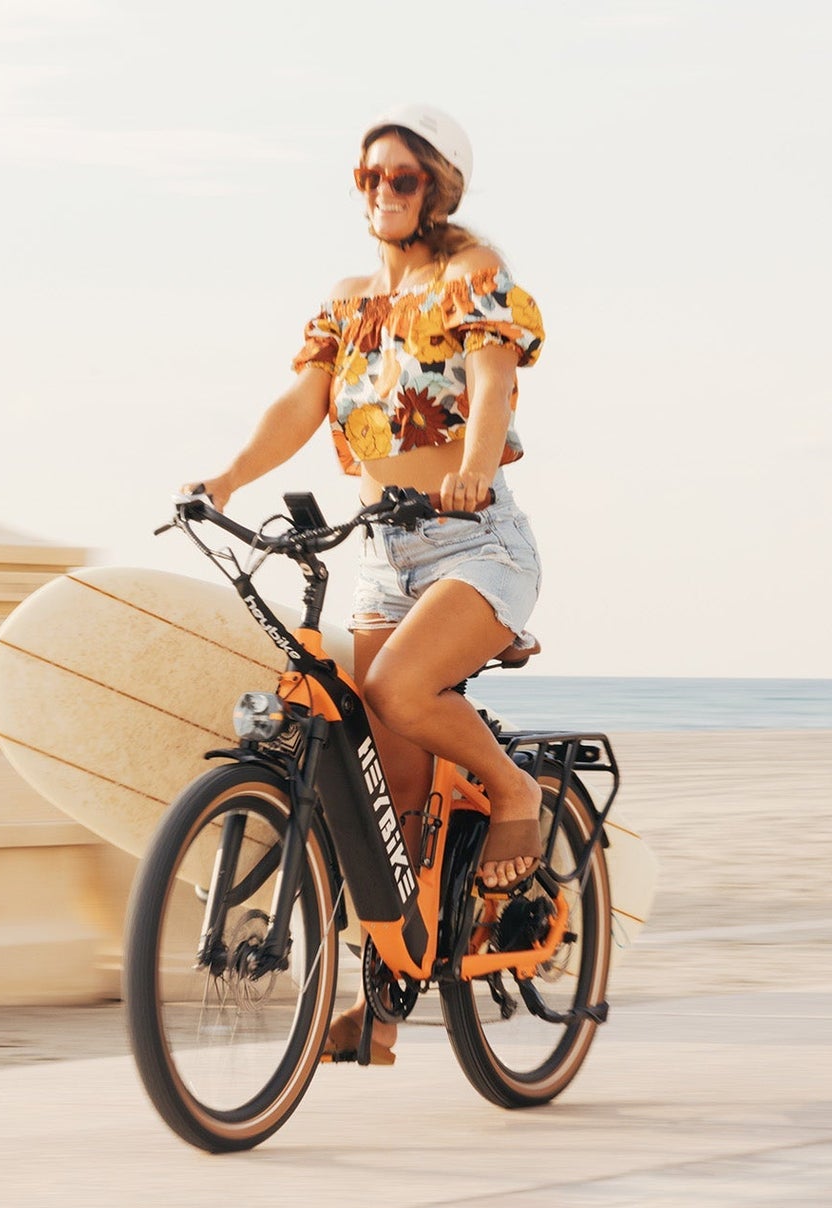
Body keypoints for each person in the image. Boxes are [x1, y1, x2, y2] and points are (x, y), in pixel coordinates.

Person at [187, 105, 547, 1063]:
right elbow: (300, 404)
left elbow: (493, 375)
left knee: (393, 691)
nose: (381, 192)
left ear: (439, 188)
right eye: (368, 178)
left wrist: (472, 461)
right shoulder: (349, 302)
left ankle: (515, 792)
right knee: (385, 803)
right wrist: (223, 481)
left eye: (402, 177)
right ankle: (380, 1014)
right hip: (382, 556)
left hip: (475, 544)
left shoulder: (469, 275)